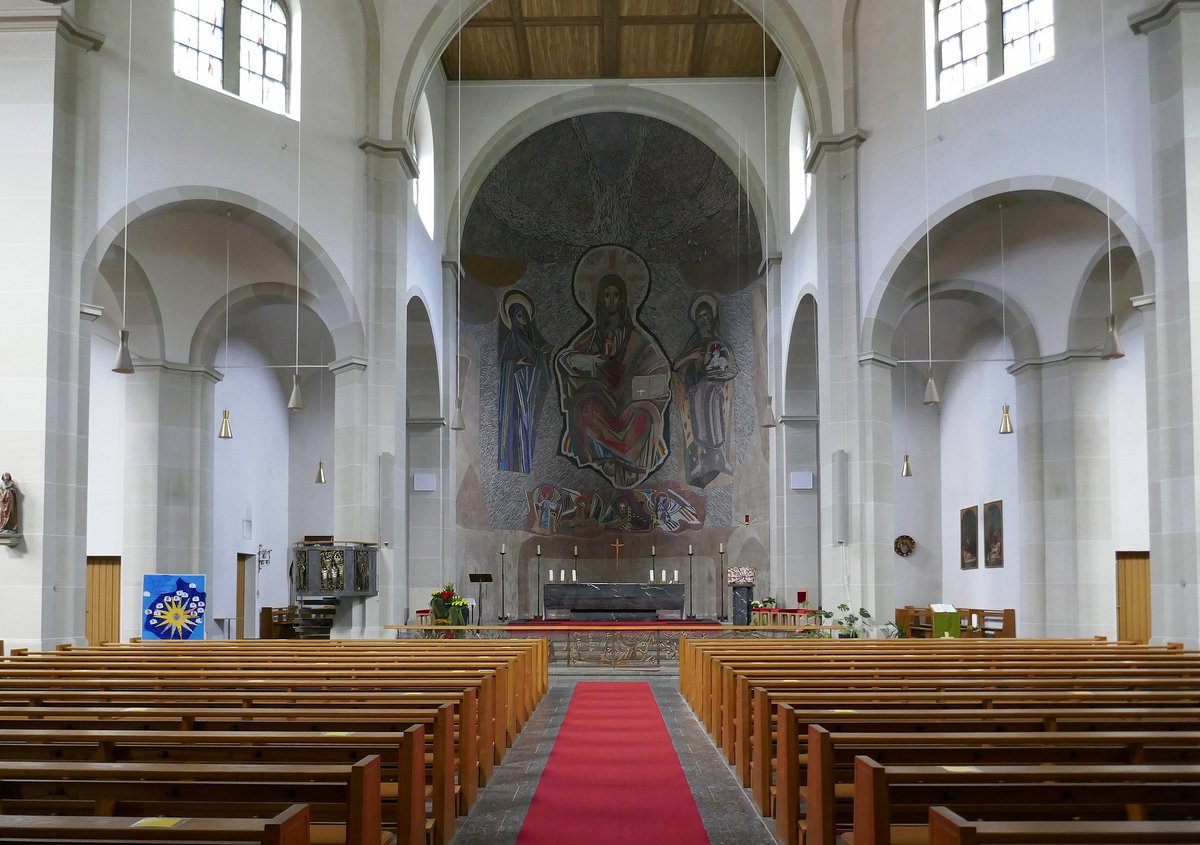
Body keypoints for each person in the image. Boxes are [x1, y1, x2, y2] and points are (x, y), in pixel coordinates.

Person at [556, 245, 670, 489]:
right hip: (602, 400)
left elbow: (658, 366)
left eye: (616, 295)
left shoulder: (637, 339)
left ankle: (629, 462)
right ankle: (605, 458)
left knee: (644, 416)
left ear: (624, 299)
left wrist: (651, 384)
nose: (611, 300)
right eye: (606, 295)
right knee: (585, 406)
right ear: (599, 299)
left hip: (630, 402)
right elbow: (565, 360)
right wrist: (592, 362)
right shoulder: (593, 337)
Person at [672, 294, 738, 488]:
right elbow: (676, 366)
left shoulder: (721, 344)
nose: (704, 320)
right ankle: (701, 460)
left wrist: (721, 374)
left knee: (712, 414)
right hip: (695, 392)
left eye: (707, 315)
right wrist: (691, 356)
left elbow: (733, 368)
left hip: (715, 391)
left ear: (712, 318)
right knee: (699, 414)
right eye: (700, 316)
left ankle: (718, 455)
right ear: (696, 320)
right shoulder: (693, 344)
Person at [497, 290, 552, 474]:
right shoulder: (512, 340)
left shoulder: (530, 342)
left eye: (524, 315)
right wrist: (516, 363)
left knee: (528, 431)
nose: (523, 319)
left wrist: (542, 356)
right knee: (518, 430)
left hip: (529, 394)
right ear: (512, 318)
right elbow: (504, 363)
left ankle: (526, 462)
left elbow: (539, 368)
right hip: (515, 398)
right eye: (519, 315)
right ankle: (516, 464)